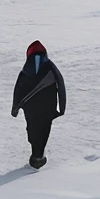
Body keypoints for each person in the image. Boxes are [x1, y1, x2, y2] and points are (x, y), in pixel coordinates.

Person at [12, 40, 66, 168]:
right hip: (48, 105)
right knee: (44, 129)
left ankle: (36, 154)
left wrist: (15, 108)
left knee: (32, 127)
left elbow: (18, 88)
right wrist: (61, 108)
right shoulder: (51, 67)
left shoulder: (26, 69)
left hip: (30, 106)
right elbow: (61, 85)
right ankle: (38, 156)